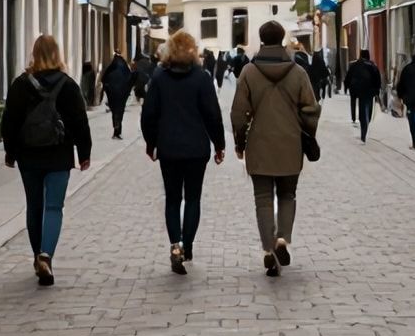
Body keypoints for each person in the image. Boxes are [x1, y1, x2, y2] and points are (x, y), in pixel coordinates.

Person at [230, 21, 321, 277]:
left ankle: (269, 250)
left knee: (262, 198)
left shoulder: (248, 72)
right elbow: (311, 108)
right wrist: (307, 132)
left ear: (261, 39)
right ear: (282, 39)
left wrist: (239, 141)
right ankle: (283, 239)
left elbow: (239, 113)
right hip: (290, 142)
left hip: (259, 144)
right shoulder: (298, 71)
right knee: (287, 194)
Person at [1, 35, 91, 286]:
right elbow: (79, 122)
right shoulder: (69, 85)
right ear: (57, 54)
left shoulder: (20, 84)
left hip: (28, 155)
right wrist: (84, 153)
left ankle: (36, 256)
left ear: (34, 53)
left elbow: (9, 121)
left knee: (34, 205)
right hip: (59, 154)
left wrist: (10, 151)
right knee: (53, 207)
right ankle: (46, 255)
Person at [140, 30, 226, 274]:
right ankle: (187, 245)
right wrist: (219, 144)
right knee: (193, 198)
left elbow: (149, 114)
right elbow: (212, 114)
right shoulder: (201, 77)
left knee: (172, 198)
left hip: (168, 148)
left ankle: (175, 244)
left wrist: (151, 142)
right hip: (196, 148)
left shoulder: (159, 76)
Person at [344, 50, 382, 142]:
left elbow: (348, 76)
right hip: (370, 92)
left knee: (362, 111)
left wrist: (347, 86)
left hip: (358, 91)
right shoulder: (372, 65)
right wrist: (377, 91)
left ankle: (363, 131)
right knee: (368, 109)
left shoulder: (355, 65)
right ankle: (366, 124)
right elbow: (378, 79)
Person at [101, 53, 134, 139]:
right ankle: (118, 129)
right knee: (120, 111)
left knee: (115, 111)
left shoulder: (111, 68)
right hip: (122, 95)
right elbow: (130, 79)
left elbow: (104, 79)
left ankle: (116, 128)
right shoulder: (125, 69)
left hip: (112, 95)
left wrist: (107, 89)